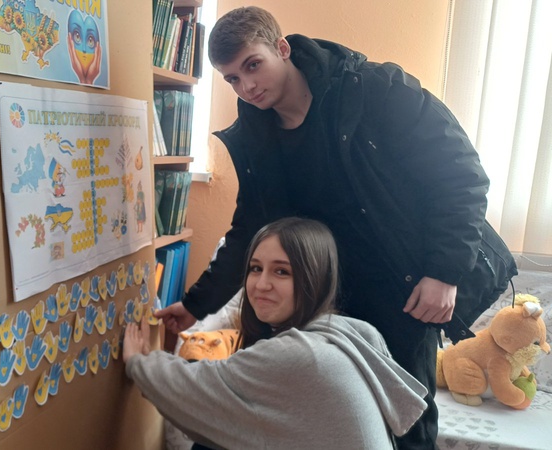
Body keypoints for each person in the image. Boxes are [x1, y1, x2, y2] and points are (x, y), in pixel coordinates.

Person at [153, 7, 517, 449]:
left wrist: (444, 272)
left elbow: (461, 176)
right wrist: (196, 304)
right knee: (280, 408)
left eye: (253, 65)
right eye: (232, 78)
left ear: (282, 49)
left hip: (400, 287)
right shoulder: (256, 131)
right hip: (316, 292)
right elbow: (251, 227)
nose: (246, 87)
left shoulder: (376, 89)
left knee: (407, 420)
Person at [127, 218, 428, 449]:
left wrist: (138, 361)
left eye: (281, 271)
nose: (261, 285)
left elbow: (195, 391)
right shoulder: (347, 330)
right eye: (255, 268)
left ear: (314, 278)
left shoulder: (300, 354)